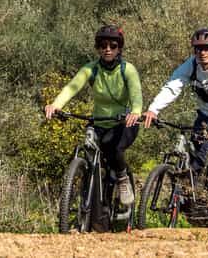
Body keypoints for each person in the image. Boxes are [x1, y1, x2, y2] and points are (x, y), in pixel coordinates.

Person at [142, 28, 208, 207]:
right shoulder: (191, 65)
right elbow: (173, 86)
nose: (202, 52)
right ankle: (190, 201)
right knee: (197, 158)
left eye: (207, 48)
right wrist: (153, 110)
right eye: (198, 49)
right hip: (206, 115)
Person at [44, 25, 143, 205]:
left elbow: (136, 94)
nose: (107, 49)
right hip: (99, 122)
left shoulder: (127, 70)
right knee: (91, 149)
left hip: (124, 122)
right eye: (103, 45)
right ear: (98, 48)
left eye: (113, 46)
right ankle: (92, 189)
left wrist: (136, 111)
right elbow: (72, 87)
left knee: (116, 150)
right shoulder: (91, 69)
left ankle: (122, 179)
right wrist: (55, 105)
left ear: (119, 48)